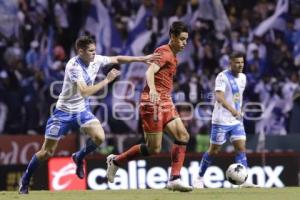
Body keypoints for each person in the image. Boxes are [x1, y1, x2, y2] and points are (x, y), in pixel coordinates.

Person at [18, 35, 158, 194]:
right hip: (63, 113)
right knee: (46, 152)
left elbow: (117, 58)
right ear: (81, 51)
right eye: (91, 51)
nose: (94, 54)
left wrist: (141, 58)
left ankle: (78, 157)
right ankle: (26, 179)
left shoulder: (95, 60)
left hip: (82, 111)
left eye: (95, 51)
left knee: (100, 137)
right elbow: (84, 91)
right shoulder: (73, 66)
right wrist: (107, 80)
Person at [106, 21, 193, 192]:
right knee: (154, 148)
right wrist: (153, 89)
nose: (184, 43)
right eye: (181, 39)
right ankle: (116, 161)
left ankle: (175, 179)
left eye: (186, 40)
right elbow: (149, 71)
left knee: (183, 136)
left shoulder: (174, 55)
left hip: (165, 101)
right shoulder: (164, 52)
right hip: (151, 102)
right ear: (173, 37)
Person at [193, 52, 259, 188]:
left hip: (236, 120)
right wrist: (233, 110)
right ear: (231, 63)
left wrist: (239, 109)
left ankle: (244, 180)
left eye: (242, 62)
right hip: (221, 120)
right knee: (214, 150)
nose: (240, 65)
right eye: (237, 62)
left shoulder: (243, 78)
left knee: (240, 148)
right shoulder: (222, 77)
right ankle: (199, 178)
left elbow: (236, 97)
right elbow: (219, 97)